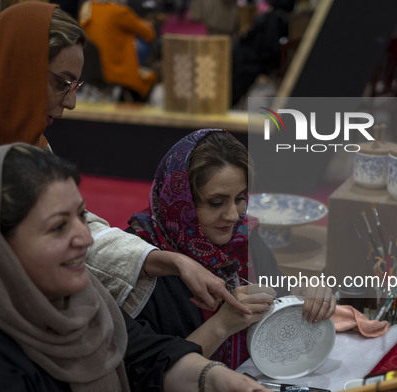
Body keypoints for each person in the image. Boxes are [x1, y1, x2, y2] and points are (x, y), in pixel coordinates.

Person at [0, 2, 248, 321]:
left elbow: (77, 230)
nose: (71, 102)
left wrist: (169, 260)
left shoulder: (29, 144)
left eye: (76, 86)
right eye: (61, 83)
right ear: (16, 70)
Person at [0, 143, 272, 392]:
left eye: (81, 216)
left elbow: (144, 356)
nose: (84, 237)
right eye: (57, 227)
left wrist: (213, 378)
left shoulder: (84, 298)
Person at [119, 129, 336, 369]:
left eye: (240, 198)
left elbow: (278, 295)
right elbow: (145, 376)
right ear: (180, 201)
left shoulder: (242, 238)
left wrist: (304, 294)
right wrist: (222, 324)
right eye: (216, 202)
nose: (234, 215)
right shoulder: (139, 260)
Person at [79, 0, 157, 101]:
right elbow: (149, 34)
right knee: (150, 77)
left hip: (88, 70)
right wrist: (148, 24)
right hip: (113, 71)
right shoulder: (120, 12)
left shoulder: (88, 9)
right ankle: (132, 112)